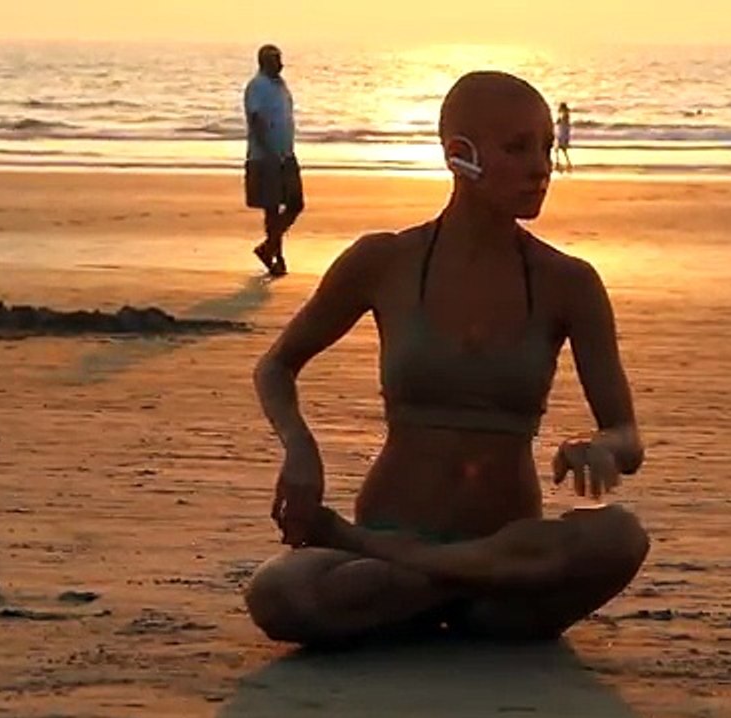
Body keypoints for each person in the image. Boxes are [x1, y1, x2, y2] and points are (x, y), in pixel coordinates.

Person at [243, 71, 649, 646]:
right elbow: (277, 365)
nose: (541, 167)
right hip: (402, 558)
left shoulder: (570, 283)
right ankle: (446, 578)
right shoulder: (383, 261)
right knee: (279, 594)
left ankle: (439, 575)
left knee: (621, 538)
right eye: (517, 148)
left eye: (545, 147)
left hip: (504, 547)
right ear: (461, 155)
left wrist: (603, 445)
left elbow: (627, 435)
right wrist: (300, 448)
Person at [243, 44, 304, 278]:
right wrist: (268, 151)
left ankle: (268, 248)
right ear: (264, 62)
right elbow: (256, 119)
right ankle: (275, 257)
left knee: (295, 203)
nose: (280, 64)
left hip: (285, 153)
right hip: (265, 156)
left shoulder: (281, 85)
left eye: (280, 59)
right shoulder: (257, 86)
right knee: (271, 208)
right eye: (275, 60)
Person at [555, 102, 573, 174]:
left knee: (561, 148)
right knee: (560, 149)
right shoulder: (565, 115)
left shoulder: (565, 116)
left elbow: (562, 124)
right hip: (562, 133)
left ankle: (561, 162)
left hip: (563, 133)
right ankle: (561, 162)